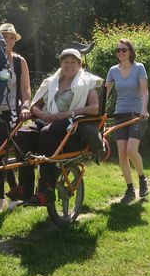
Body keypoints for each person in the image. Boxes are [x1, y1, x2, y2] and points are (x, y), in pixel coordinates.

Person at [10, 48, 102, 206]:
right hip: (48, 119)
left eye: (73, 62)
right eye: (66, 62)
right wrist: (41, 114)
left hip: (70, 123)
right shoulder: (51, 81)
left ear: (80, 64)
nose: (69, 65)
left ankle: (46, 190)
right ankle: (25, 187)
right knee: (22, 134)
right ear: (61, 64)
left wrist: (67, 114)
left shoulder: (88, 82)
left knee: (47, 132)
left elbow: (94, 108)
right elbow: (34, 106)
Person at [0, 23, 31, 214]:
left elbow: (25, 87)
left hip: (11, 112)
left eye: (11, 37)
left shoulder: (19, 61)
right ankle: (2, 198)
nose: (8, 40)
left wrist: (26, 104)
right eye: (4, 36)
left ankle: (11, 195)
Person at [105, 39, 150, 204]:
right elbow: (105, 92)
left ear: (130, 51)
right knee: (122, 154)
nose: (121, 53)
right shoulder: (113, 71)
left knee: (131, 150)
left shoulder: (139, 68)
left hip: (137, 114)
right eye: (118, 50)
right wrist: (98, 109)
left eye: (124, 50)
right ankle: (130, 189)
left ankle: (142, 178)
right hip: (120, 115)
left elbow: (145, 92)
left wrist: (144, 109)